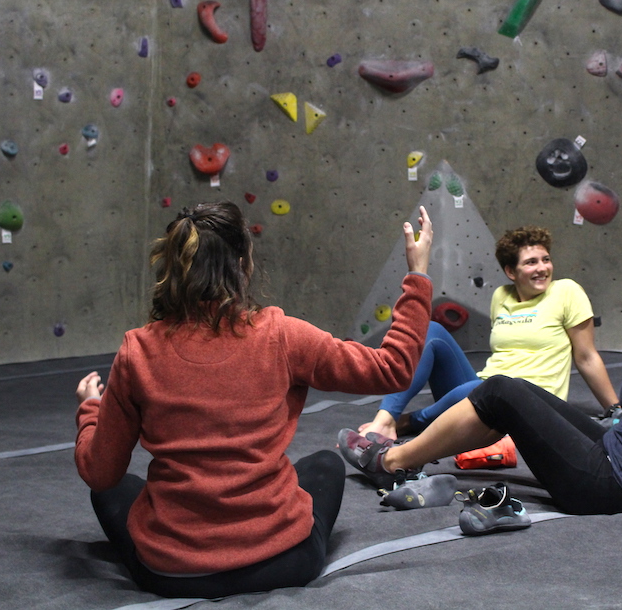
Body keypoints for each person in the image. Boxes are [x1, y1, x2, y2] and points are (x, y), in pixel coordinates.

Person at [341, 216, 622, 537]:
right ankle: (403, 447)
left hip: (618, 487)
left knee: (500, 390)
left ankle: (391, 461)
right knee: (514, 390)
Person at [73, 202, 433, 598]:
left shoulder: (137, 351)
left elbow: (100, 472)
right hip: (284, 562)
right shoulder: (281, 334)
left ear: (172, 270)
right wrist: (417, 275)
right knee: (327, 464)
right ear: (244, 263)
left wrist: (91, 409)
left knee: (109, 488)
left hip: (173, 574)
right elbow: (393, 368)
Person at [358, 225, 618, 442]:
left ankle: (410, 422)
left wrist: (616, 410)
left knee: (488, 388)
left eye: (546, 259)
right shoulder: (501, 296)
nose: (542, 268)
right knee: (430, 331)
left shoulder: (567, 292)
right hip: (481, 390)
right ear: (510, 271)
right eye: (531, 262)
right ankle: (385, 419)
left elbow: (586, 357)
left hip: (528, 401)